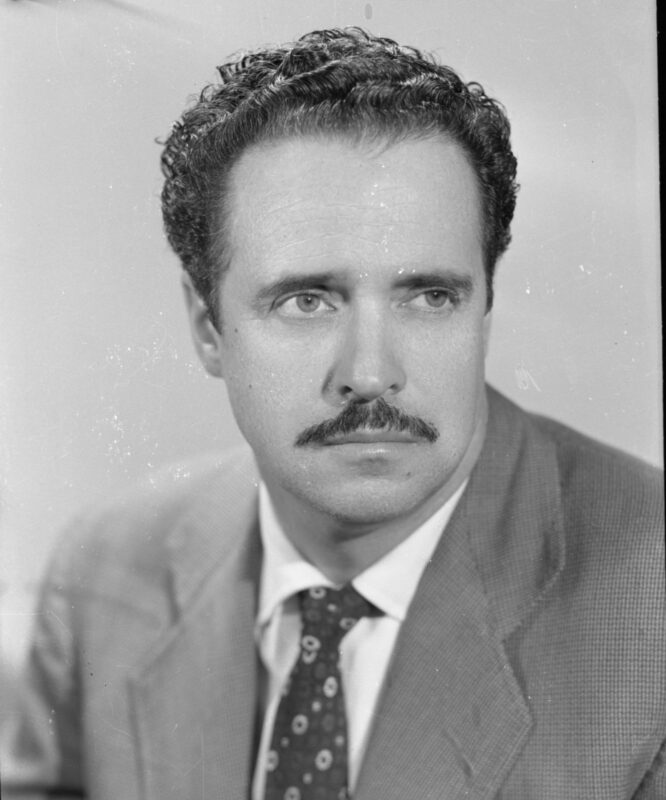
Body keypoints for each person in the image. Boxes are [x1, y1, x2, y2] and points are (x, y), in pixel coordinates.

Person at [1, 27, 664, 800]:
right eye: (306, 301)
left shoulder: (649, 609)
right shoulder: (106, 566)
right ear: (208, 327)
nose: (371, 375)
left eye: (430, 297)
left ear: (484, 308)